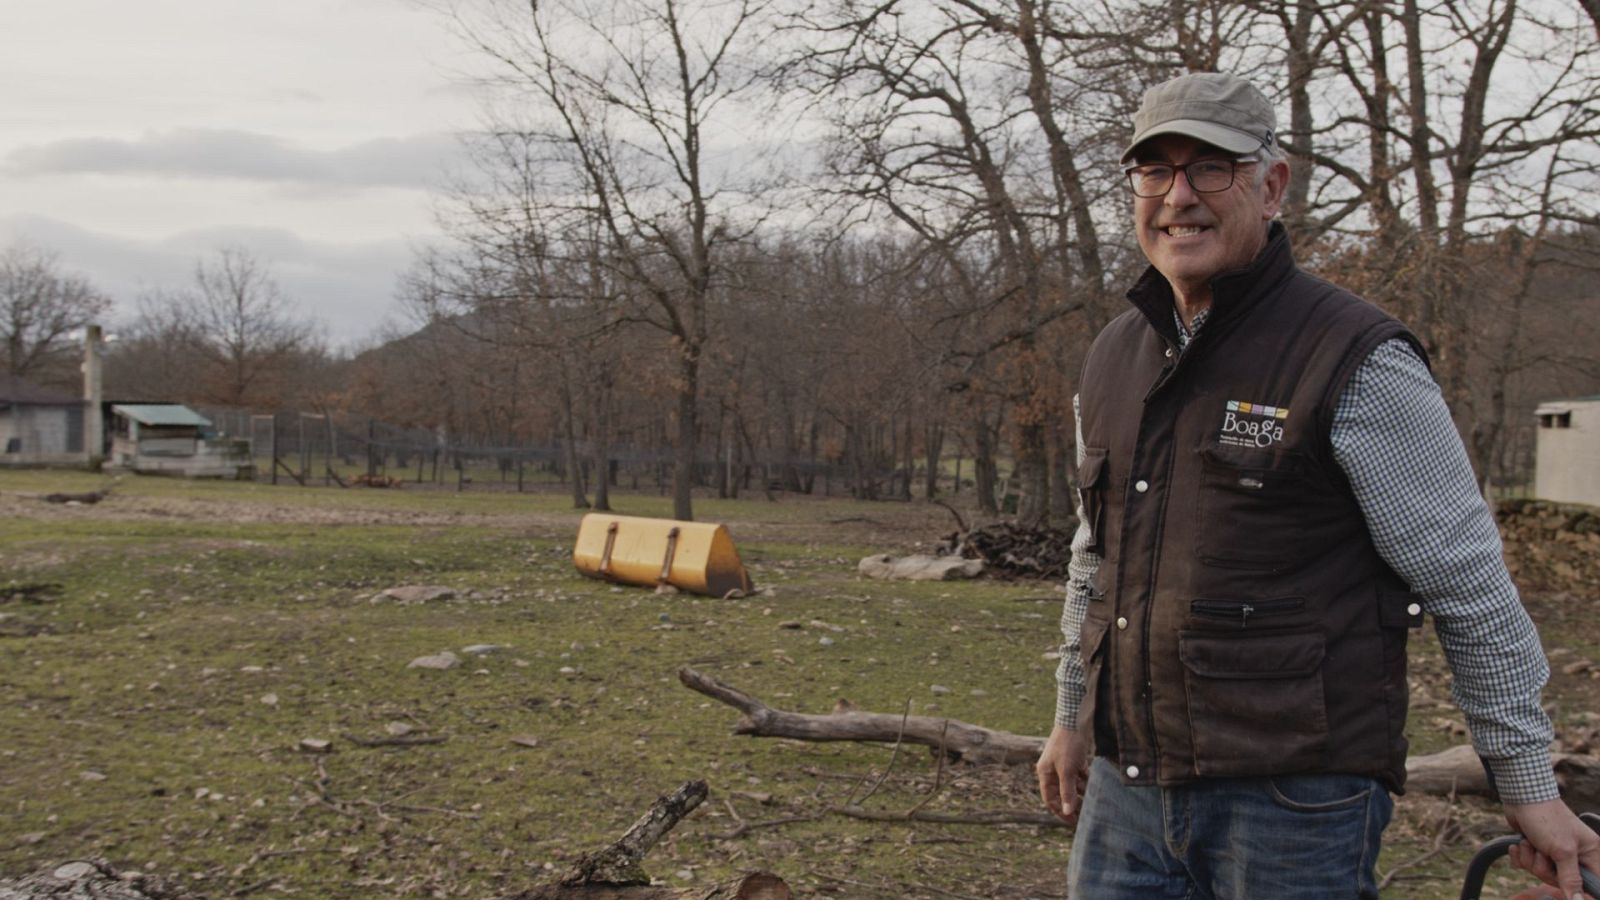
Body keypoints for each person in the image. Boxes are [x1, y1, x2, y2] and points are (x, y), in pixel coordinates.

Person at [1034, 71, 1600, 899]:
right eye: (1155, 171)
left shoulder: (1357, 358)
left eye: (1211, 168)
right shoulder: (1114, 355)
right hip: (1128, 789)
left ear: (1272, 186)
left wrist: (1527, 785)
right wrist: (1070, 717)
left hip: (1292, 799)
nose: (1178, 196)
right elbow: (1097, 560)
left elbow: (1469, 584)